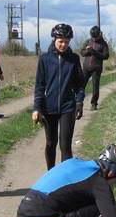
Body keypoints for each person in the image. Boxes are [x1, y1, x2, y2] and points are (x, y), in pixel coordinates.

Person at [32, 23, 85, 169]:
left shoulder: (74, 59)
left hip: (68, 107)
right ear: (54, 39)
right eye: (60, 41)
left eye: (67, 42)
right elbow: (39, 86)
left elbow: (80, 85)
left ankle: (65, 180)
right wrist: (37, 108)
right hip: (48, 108)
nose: (63, 45)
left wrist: (79, 102)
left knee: (65, 146)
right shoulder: (45, 59)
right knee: (50, 143)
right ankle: (51, 174)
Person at [79, 26, 109, 111]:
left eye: (95, 36)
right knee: (81, 86)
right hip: (86, 68)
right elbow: (82, 52)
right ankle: (78, 103)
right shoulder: (88, 41)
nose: (94, 38)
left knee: (95, 86)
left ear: (99, 34)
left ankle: (94, 104)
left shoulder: (103, 44)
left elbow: (106, 56)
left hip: (96, 68)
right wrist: (87, 51)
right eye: (93, 36)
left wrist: (94, 52)